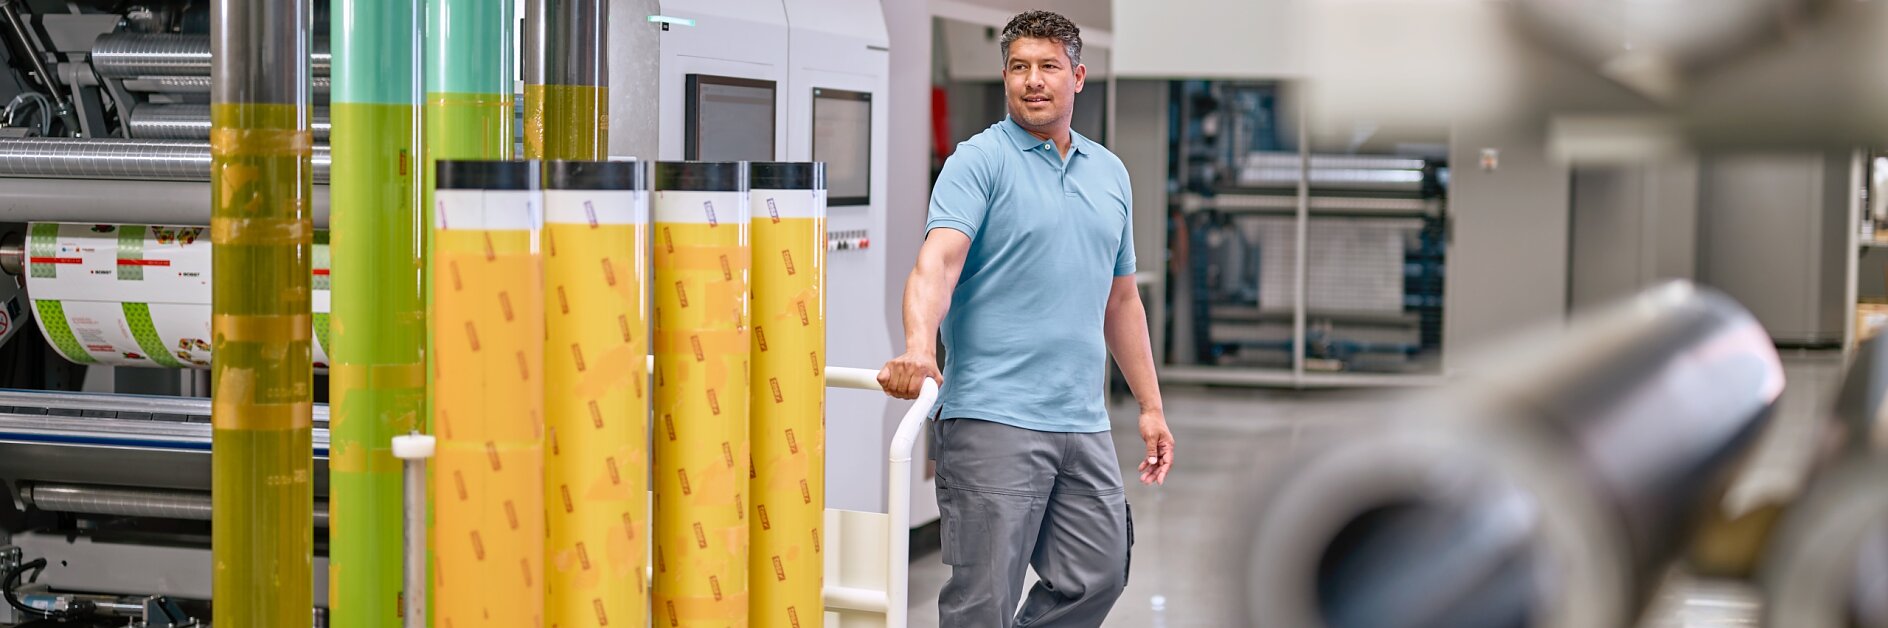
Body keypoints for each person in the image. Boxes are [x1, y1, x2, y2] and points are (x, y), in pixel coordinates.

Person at [877, 10, 1174, 627]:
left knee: (1099, 573)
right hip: (993, 418)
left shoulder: (1109, 172)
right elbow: (938, 262)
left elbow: (1121, 300)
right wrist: (918, 345)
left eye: (1047, 67)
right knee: (983, 601)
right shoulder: (978, 161)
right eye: (1018, 68)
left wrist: (1149, 405)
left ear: (1078, 76)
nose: (1032, 80)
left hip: (1082, 419)